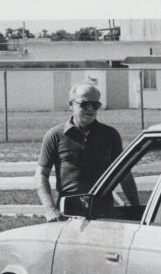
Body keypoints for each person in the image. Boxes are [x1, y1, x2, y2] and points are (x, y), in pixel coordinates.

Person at [36, 82, 139, 221]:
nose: (90, 108)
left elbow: (124, 174)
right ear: (71, 104)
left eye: (95, 105)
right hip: (68, 213)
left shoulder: (110, 135)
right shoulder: (54, 135)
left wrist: (136, 208)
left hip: (104, 212)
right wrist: (50, 209)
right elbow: (41, 175)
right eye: (85, 104)